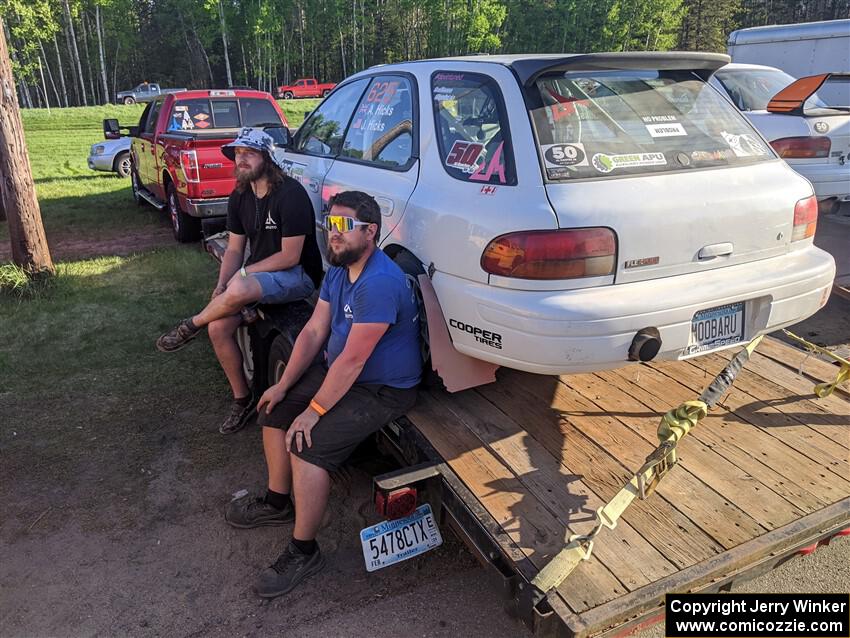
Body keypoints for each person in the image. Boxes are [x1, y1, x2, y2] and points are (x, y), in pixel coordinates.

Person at [225, 190, 422, 598]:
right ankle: (278, 501)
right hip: (341, 372)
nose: (333, 233)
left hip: (381, 389)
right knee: (273, 410)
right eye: (329, 223)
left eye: (343, 225)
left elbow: (353, 362)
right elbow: (315, 330)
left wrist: (314, 411)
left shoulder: (380, 282)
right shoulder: (338, 267)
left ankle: (304, 550)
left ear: (370, 231)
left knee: (306, 445)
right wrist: (282, 385)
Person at [156, 127, 323, 435]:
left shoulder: (290, 194)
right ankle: (242, 398)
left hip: (298, 277)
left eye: (249, 154)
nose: (241, 160)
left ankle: (190, 325)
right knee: (218, 327)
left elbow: (289, 256)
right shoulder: (240, 196)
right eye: (237, 154)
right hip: (260, 276)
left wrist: (243, 276)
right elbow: (234, 249)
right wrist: (222, 286)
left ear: (267, 158)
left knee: (241, 287)